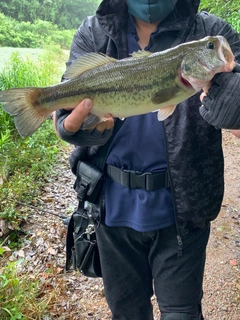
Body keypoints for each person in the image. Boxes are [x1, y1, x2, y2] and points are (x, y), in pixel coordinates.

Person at [55, 1, 240, 319]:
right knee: (126, 312)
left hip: (185, 209)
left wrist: (231, 103)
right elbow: (65, 121)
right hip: (111, 208)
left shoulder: (211, 33)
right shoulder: (93, 32)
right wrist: (75, 129)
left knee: (182, 313)